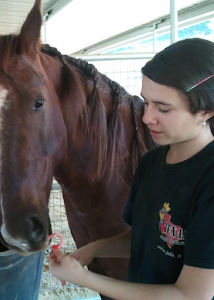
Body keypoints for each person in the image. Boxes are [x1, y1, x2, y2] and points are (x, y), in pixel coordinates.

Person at [49, 37, 214, 300]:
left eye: (164, 108)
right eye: (146, 102)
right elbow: (145, 239)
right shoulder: (151, 162)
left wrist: (87, 279)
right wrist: (94, 249)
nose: (147, 117)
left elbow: (191, 295)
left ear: (205, 111)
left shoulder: (207, 181)